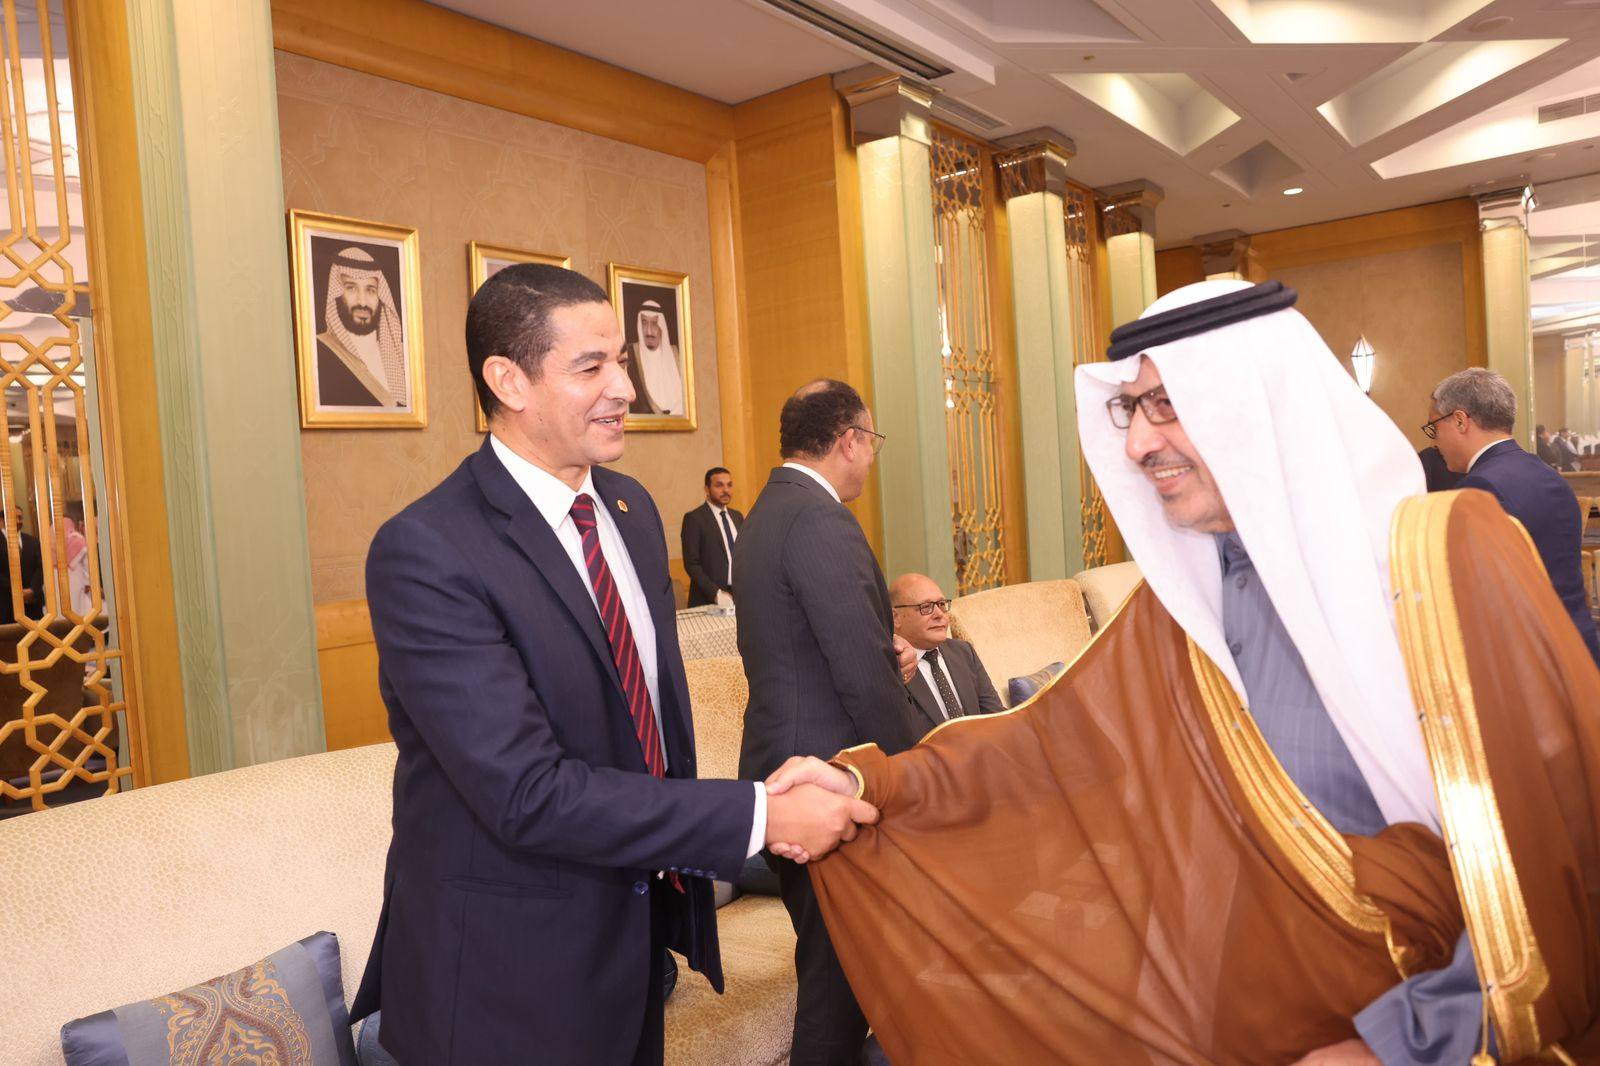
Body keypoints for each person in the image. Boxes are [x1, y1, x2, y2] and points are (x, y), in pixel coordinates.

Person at [768, 281, 1600, 1065]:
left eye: (1166, 404)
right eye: (1130, 409)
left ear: (1258, 405)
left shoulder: (1445, 556)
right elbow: (1044, 749)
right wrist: (869, 783)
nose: (1136, 443)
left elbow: (1560, 838)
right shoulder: (1186, 607)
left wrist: (1405, 1043)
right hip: (1227, 1017)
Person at [349, 264, 877, 1066]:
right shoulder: (427, 551)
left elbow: (641, 732)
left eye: (623, 361)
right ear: (508, 381)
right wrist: (761, 816)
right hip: (501, 981)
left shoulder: (629, 511)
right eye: (591, 366)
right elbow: (526, 792)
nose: (625, 388)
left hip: (632, 953)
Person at [735, 378, 924, 1066]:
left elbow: (805, 646)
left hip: (784, 769)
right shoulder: (821, 520)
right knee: (837, 985)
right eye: (872, 442)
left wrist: (884, 648)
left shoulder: (767, 513)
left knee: (837, 971)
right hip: (823, 781)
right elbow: (860, 678)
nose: (871, 458)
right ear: (849, 440)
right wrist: (914, 773)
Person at [1426, 368, 1600, 666]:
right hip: (1578, 647)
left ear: (1460, 420)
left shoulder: (1481, 487)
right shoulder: (1548, 474)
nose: (1434, 442)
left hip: (1532, 660)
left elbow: (1475, 594)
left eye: (1434, 428)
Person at [890, 571, 1003, 730]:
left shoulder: (963, 652)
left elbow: (996, 716)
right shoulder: (891, 665)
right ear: (895, 617)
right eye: (926, 607)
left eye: (942, 604)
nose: (939, 614)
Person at [316, 246, 408, 408]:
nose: (362, 302)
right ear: (337, 293)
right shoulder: (319, 350)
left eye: (371, 290)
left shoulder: (402, 354)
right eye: (351, 288)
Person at [680, 466, 742, 607]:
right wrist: (715, 593)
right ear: (707, 489)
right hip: (708, 599)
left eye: (729, 485)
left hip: (738, 596)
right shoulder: (694, 519)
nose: (726, 490)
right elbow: (691, 564)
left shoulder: (737, 516)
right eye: (719, 485)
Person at [624, 299, 685, 416]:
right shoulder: (630, 354)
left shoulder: (677, 354)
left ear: (662, 326)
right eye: (644, 323)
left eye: (654, 323)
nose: (649, 331)